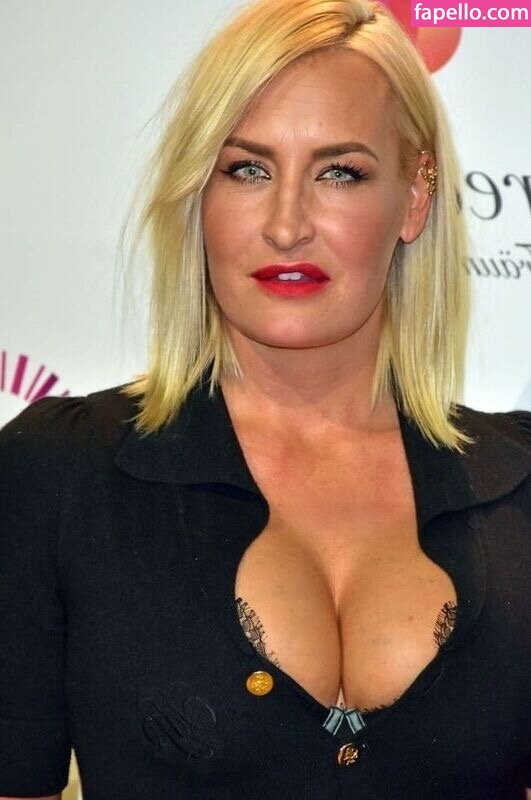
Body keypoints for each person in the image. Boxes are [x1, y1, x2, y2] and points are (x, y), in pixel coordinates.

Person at [0, 0, 530, 798]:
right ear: (198, 194)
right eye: (247, 169)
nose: (286, 225)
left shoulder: (519, 485)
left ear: (415, 198)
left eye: (338, 172)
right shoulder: (57, 471)